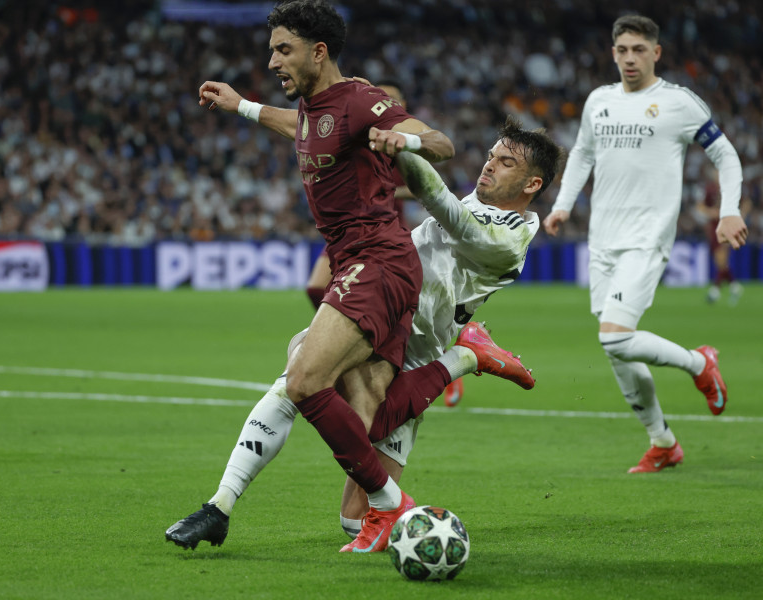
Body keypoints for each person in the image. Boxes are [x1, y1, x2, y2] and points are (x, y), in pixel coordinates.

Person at [193, 0, 513, 553]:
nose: (272, 61)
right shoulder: (318, 110)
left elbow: (440, 141)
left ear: (318, 52)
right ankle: (462, 360)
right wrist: (242, 105)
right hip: (359, 265)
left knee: (301, 378)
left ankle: (392, 504)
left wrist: (406, 140)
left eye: (282, 50)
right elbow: (299, 125)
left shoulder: (362, 100)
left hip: (378, 263)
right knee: (363, 417)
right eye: (271, 50)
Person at [166, 117, 564, 550]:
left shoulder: (509, 238)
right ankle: (219, 506)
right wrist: (247, 108)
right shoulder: (481, 200)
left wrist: (405, 147)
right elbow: (418, 187)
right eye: (491, 156)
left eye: (505, 163)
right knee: (299, 373)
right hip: (380, 309)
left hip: (418, 346)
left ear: (531, 184)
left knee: (355, 520)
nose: (489, 166)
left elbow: (444, 206)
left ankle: (466, 357)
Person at [543, 15, 747, 474]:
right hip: (603, 240)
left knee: (614, 336)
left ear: (657, 53)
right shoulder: (599, 101)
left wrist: (730, 209)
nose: (630, 58)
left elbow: (726, 155)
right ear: (612, 53)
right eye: (622, 50)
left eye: (639, 49)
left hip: (647, 237)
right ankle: (663, 442)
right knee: (618, 346)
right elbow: (582, 154)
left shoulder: (677, 102)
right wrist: (562, 204)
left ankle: (699, 363)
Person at [302, 79, 465, 407]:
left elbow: (431, 185)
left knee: (417, 310)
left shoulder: (404, 142)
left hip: (384, 232)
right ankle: (350, 343)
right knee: (314, 287)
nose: (383, 104)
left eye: (392, 100)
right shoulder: (359, 130)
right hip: (348, 233)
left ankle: (443, 362)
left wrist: (387, 188)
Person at [696, 171, 750, 305]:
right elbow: (700, 206)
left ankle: (715, 291)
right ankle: (734, 286)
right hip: (713, 228)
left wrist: (739, 216)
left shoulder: (730, 188)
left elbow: (746, 202)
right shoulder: (710, 189)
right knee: (720, 261)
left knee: (721, 258)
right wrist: (711, 212)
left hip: (727, 227)